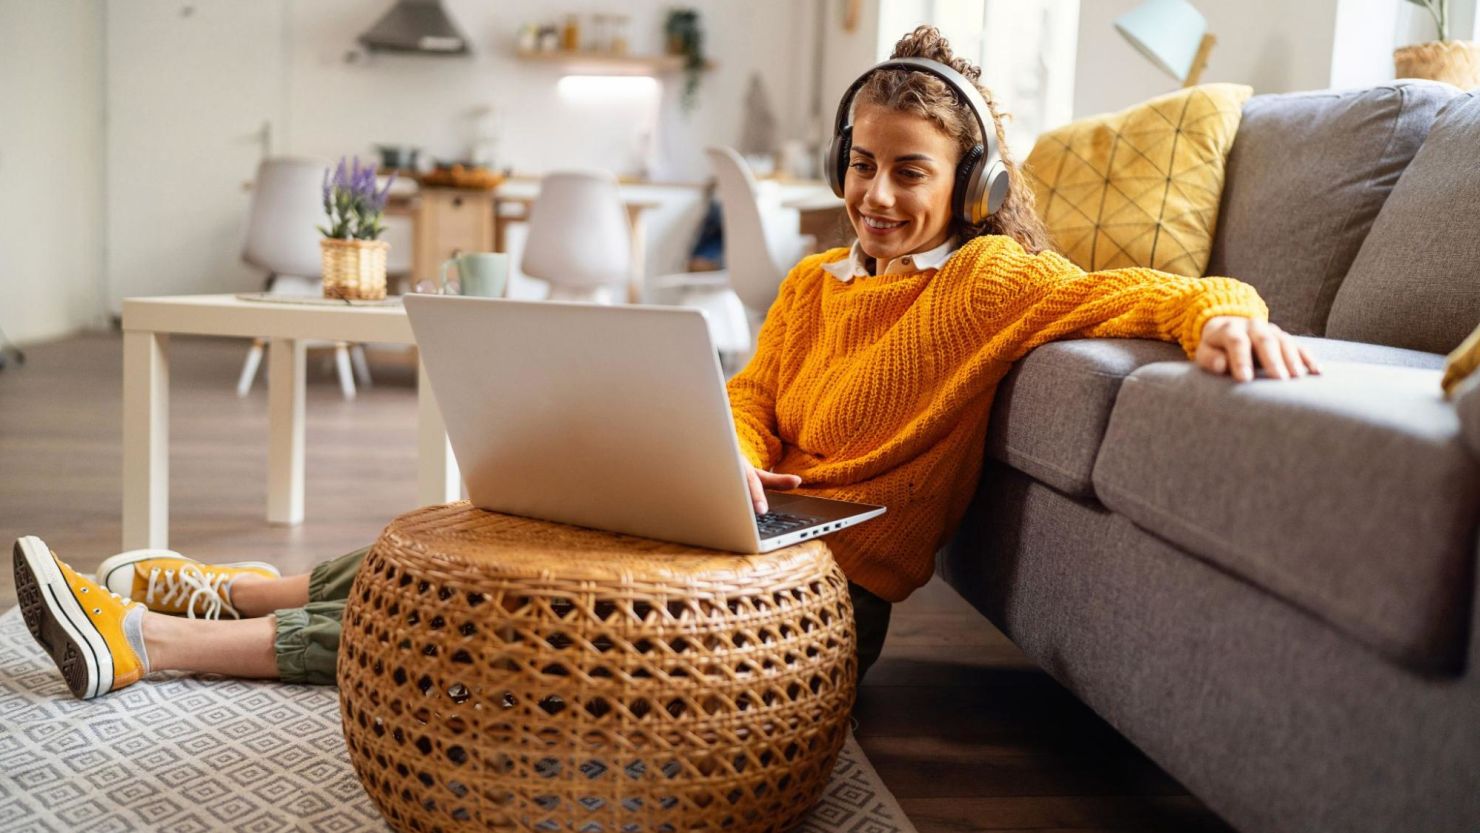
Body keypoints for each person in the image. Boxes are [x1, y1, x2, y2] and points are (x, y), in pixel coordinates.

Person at [13, 26, 1317, 701]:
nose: (875, 195)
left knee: (503, 624)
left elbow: (1133, 290)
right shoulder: (814, 281)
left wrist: (1220, 311)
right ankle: (233, 588)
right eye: (860, 166)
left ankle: (156, 649)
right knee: (502, 530)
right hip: (734, 524)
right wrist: (734, 451)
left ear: (967, 182)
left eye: (908, 173)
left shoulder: (990, 284)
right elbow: (750, 386)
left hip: (813, 605)